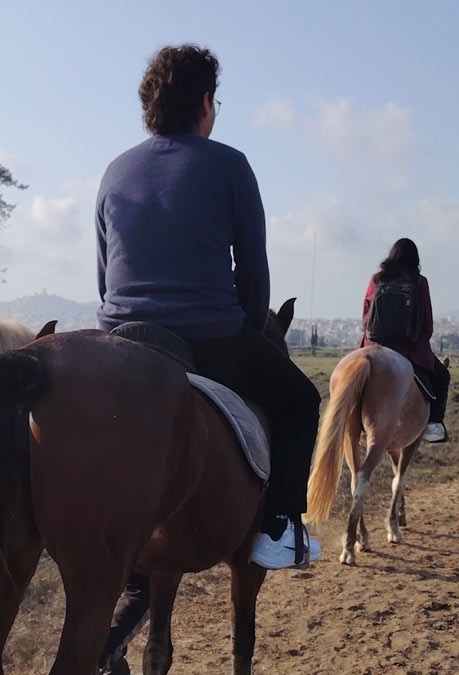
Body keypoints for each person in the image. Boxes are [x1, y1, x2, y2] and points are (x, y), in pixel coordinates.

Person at [95, 44, 321, 569]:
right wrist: (249, 332)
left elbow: (106, 277)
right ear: (204, 103)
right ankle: (280, 529)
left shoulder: (114, 171)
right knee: (300, 402)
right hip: (209, 341)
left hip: (121, 343)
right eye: (215, 102)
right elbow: (255, 278)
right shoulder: (231, 165)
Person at [361, 238, 450, 442]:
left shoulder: (376, 279)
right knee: (442, 376)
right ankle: (433, 426)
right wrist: (419, 347)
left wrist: (369, 343)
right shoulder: (419, 281)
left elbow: (366, 315)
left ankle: (354, 422)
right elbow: (427, 323)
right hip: (409, 350)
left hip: (374, 346)